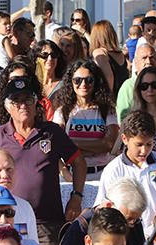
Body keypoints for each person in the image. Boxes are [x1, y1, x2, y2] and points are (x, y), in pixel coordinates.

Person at [0, 77, 86, 245]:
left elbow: (79, 162)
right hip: (7, 219)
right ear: (8, 106)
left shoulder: (52, 132)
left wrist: (76, 197)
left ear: (35, 102)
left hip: (47, 224)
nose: (23, 105)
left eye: (28, 100)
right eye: (17, 101)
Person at [96, 111, 156, 240]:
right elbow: (103, 208)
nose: (144, 150)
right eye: (139, 145)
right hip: (125, 237)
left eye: (149, 144)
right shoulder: (112, 169)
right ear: (125, 139)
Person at [51, 59, 118, 189]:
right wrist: (64, 172)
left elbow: (109, 144)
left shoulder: (107, 110)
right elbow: (55, 145)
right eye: (77, 80)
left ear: (96, 82)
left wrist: (70, 144)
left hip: (101, 175)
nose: (83, 84)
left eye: (89, 80)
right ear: (70, 82)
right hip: (71, 176)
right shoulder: (62, 112)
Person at [59, 178, 148, 245]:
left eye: (136, 219)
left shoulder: (134, 223)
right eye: (128, 219)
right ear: (109, 206)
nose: (132, 224)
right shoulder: (81, 228)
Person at [115, 41, 156, 121]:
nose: (148, 62)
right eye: (144, 58)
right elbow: (123, 119)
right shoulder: (128, 87)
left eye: (152, 57)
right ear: (135, 62)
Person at [89, 20, 130, 95]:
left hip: (110, 98)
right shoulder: (120, 54)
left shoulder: (100, 53)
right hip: (123, 95)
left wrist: (107, 98)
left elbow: (109, 76)